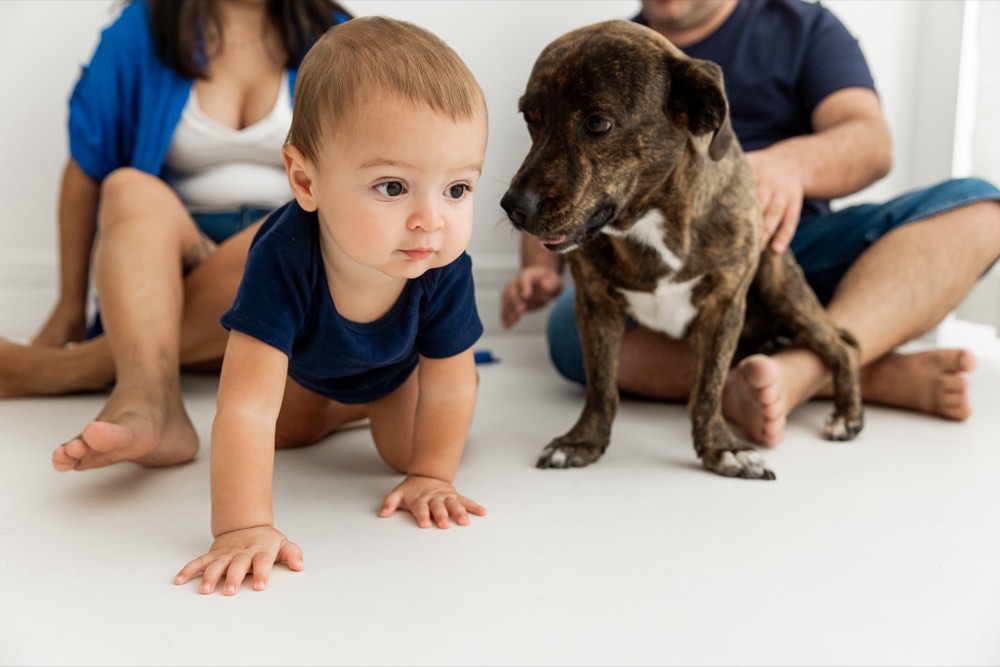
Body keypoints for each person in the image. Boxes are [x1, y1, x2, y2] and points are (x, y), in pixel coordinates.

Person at [501, 0, 1000, 447]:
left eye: (598, 124)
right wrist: (537, 267)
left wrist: (791, 166)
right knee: (569, 329)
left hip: (795, 242)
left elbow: (871, 143)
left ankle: (803, 373)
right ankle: (855, 367)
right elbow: (561, 174)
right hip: (640, 261)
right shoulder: (600, 55)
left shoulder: (803, 26)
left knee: (981, 209)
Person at [173, 16, 489, 596]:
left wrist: (431, 475)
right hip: (305, 367)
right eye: (393, 187)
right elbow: (244, 406)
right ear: (306, 180)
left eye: (457, 189)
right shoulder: (283, 255)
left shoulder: (440, 262)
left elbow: (449, 384)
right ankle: (342, 407)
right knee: (285, 430)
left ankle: (365, 405)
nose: (431, 219)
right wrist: (241, 527)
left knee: (403, 452)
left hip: (396, 374)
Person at [0, 0, 351, 470]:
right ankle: (150, 400)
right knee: (127, 188)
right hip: (175, 260)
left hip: (293, 272)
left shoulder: (338, 38)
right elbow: (88, 164)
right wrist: (68, 308)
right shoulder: (142, 26)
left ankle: (68, 371)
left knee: (294, 230)